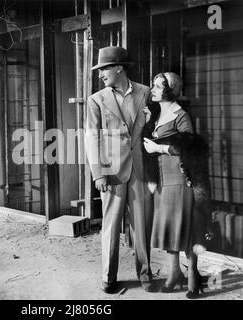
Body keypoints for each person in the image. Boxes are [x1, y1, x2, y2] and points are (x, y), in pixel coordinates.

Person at [85, 46, 157, 293]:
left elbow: (153, 128)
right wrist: (98, 173)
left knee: (142, 223)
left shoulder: (145, 92)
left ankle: (145, 273)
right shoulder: (96, 99)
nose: (101, 74)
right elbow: (91, 137)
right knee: (111, 225)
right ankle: (109, 276)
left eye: (104, 68)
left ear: (119, 67)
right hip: (111, 172)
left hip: (139, 168)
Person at [143, 72, 212, 299]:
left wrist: (159, 148)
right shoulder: (155, 114)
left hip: (181, 179)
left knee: (187, 227)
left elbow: (190, 149)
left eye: (157, 86)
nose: (152, 89)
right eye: (152, 86)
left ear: (170, 91)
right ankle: (174, 273)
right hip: (161, 179)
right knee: (168, 227)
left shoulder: (180, 115)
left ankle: (193, 274)